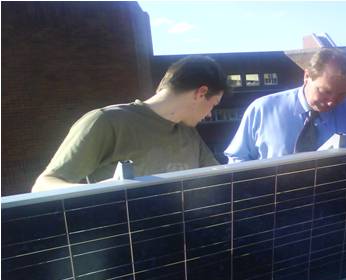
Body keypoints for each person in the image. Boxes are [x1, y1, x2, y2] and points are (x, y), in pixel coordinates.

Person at [32, 56, 228, 192]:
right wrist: (101, 191)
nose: (210, 114)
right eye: (213, 104)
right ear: (201, 93)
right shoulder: (106, 122)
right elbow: (43, 185)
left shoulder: (188, 133)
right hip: (122, 246)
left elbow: (219, 180)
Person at [224, 48, 346, 162]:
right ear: (307, 76)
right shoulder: (263, 109)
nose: (332, 101)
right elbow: (238, 157)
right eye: (324, 91)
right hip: (273, 201)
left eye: (343, 94)